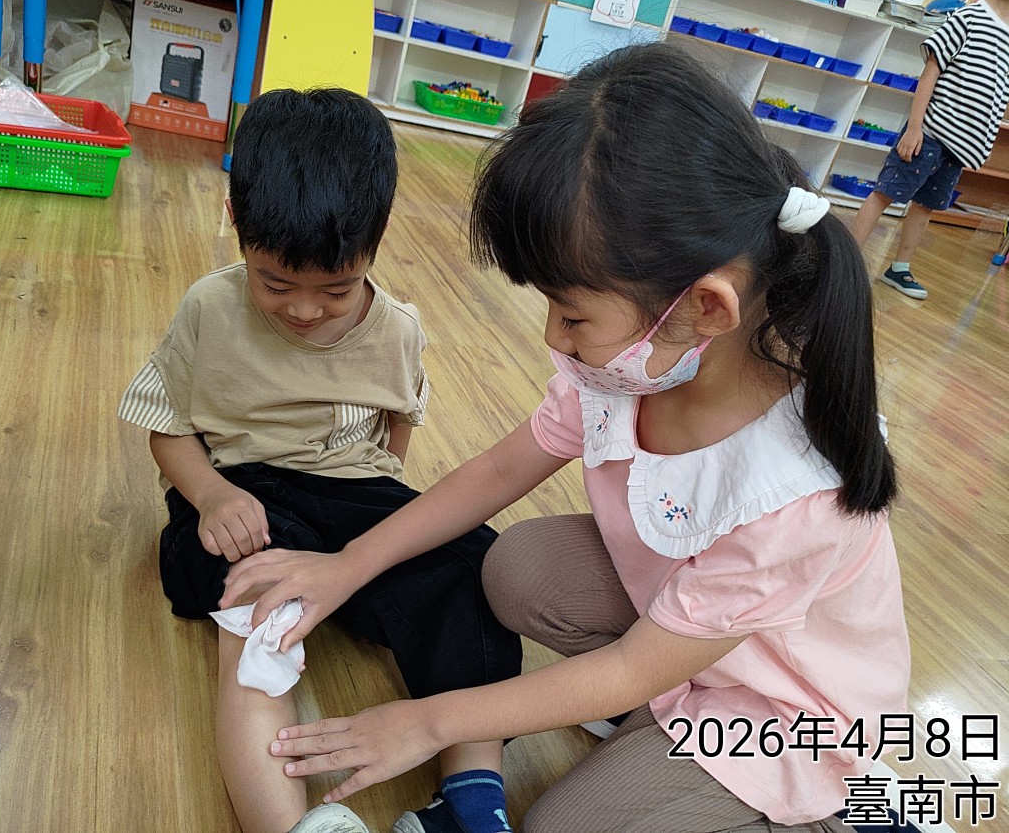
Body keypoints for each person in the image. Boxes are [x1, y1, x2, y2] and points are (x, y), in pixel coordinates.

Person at [220, 43, 912, 833]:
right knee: (517, 568)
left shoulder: (792, 491)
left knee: (558, 825)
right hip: (690, 636)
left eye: (573, 313)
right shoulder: (630, 367)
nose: (555, 336)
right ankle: (659, 733)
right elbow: (498, 470)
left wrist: (429, 722)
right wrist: (348, 565)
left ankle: (838, 813)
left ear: (706, 308)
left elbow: (631, 666)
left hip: (785, 709)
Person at [118, 87, 522, 833]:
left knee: (471, 572)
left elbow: (396, 431)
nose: (305, 310)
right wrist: (209, 495)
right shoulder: (209, 308)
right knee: (255, 616)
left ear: (376, 242)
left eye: (336, 289)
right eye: (276, 284)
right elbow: (163, 424)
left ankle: (471, 794)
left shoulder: (398, 329)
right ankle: (286, 824)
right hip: (244, 491)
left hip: (350, 486)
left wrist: (387, 510)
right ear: (237, 222)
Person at [851, 0, 1009, 300]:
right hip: (930, 134)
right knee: (885, 193)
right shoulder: (968, 18)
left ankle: (900, 268)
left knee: (926, 205)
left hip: (959, 147)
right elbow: (931, 71)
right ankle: (846, 263)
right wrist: (914, 127)